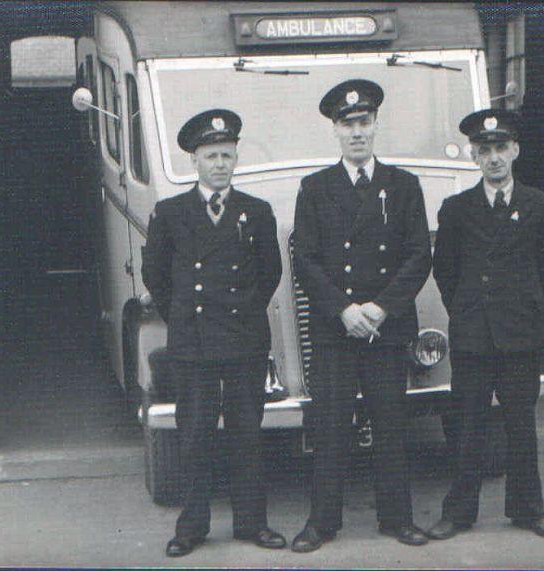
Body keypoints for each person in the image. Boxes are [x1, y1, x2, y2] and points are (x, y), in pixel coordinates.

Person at [290, 79, 432, 553]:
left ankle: (398, 519)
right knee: (330, 429)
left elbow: (418, 256)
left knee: (391, 426)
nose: (357, 133)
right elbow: (305, 261)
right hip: (336, 330)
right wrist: (344, 310)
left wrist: (379, 307)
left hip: (385, 330)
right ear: (334, 130)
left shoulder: (404, 186)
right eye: (347, 124)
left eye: (364, 123)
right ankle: (321, 523)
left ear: (375, 126)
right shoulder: (315, 189)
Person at [141, 109, 286, 557]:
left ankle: (251, 522)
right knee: (195, 436)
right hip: (194, 344)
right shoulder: (170, 213)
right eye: (211, 155)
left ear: (236, 158)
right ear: (194, 161)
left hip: (243, 340)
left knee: (247, 434)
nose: (220, 163)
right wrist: (184, 317)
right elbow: (156, 278)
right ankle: (193, 526)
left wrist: (240, 315)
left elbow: (270, 274)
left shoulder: (256, 212)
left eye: (227, 154)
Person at [427, 108, 544, 541]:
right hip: (473, 336)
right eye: (484, 150)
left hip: (520, 334)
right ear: (473, 155)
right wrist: (467, 312)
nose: (494, 158)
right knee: (468, 426)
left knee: (521, 426)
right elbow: (445, 271)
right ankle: (459, 513)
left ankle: (528, 509)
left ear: (515, 151)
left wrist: (531, 312)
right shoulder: (456, 208)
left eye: (501, 148)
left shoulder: (540, 205)